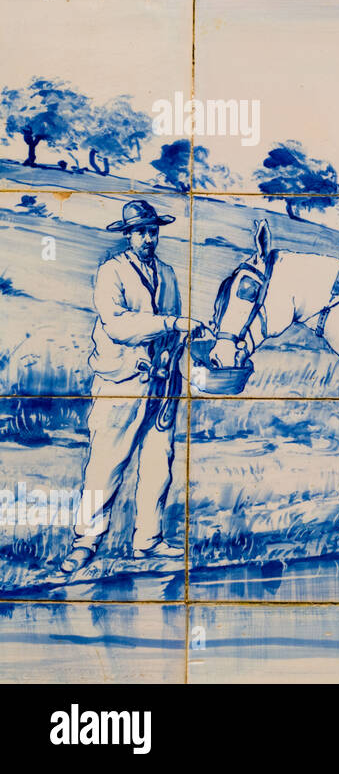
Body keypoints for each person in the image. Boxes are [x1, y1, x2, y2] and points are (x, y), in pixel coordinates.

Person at [59, 201, 205, 575]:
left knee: (159, 463)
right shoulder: (112, 271)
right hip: (120, 381)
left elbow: (173, 333)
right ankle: (85, 542)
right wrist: (173, 322)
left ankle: (149, 541)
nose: (148, 238)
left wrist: (179, 351)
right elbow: (118, 325)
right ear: (128, 235)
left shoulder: (169, 273)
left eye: (153, 231)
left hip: (161, 383)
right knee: (106, 464)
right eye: (141, 232)